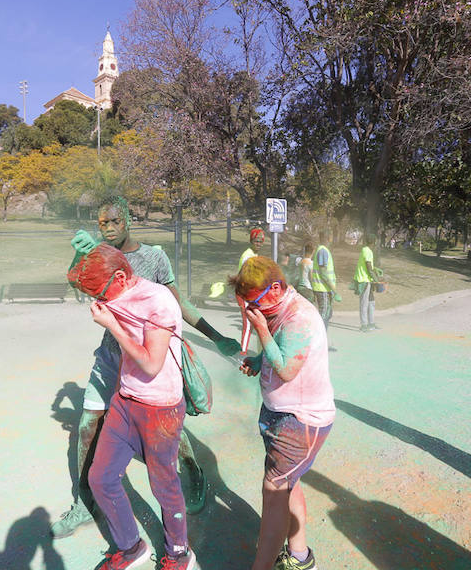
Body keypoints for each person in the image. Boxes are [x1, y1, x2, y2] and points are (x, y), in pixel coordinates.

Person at [52, 196, 240, 539]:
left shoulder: (153, 257)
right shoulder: (96, 253)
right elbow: (77, 280)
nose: (107, 229)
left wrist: (216, 336)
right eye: (102, 224)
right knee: (86, 427)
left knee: (166, 432)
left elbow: (176, 303)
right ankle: (85, 500)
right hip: (111, 356)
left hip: (146, 359)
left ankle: (193, 471)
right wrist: (82, 254)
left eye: (114, 222)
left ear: (128, 220)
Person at [67, 244, 197, 569]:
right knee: (101, 477)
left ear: (122, 277)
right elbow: (80, 281)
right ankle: (131, 547)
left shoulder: (157, 301)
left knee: (163, 484)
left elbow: (152, 364)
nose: (100, 302)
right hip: (125, 401)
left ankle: (179, 553)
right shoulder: (113, 290)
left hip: (160, 408)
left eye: (101, 293)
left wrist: (111, 326)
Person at [231, 256, 335, 570]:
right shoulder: (276, 307)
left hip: (301, 421)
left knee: (274, 491)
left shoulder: (299, 316)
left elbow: (288, 369)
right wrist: (260, 360)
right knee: (289, 484)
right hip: (280, 413)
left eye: (255, 304)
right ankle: (300, 557)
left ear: (276, 288)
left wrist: (261, 329)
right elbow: (279, 348)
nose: (251, 312)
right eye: (247, 306)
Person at [310, 230, 341, 336]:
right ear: (329, 237)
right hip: (322, 289)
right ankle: (319, 341)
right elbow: (323, 273)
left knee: (327, 314)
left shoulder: (322, 250)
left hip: (323, 288)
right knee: (323, 316)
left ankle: (321, 340)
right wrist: (334, 289)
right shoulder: (323, 251)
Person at [353, 234, 381, 331]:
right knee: (364, 303)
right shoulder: (367, 251)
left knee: (371, 300)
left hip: (367, 279)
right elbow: (369, 268)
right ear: (374, 242)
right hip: (363, 280)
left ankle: (371, 323)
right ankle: (364, 325)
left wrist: (375, 269)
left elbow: (369, 266)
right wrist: (377, 280)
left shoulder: (366, 250)